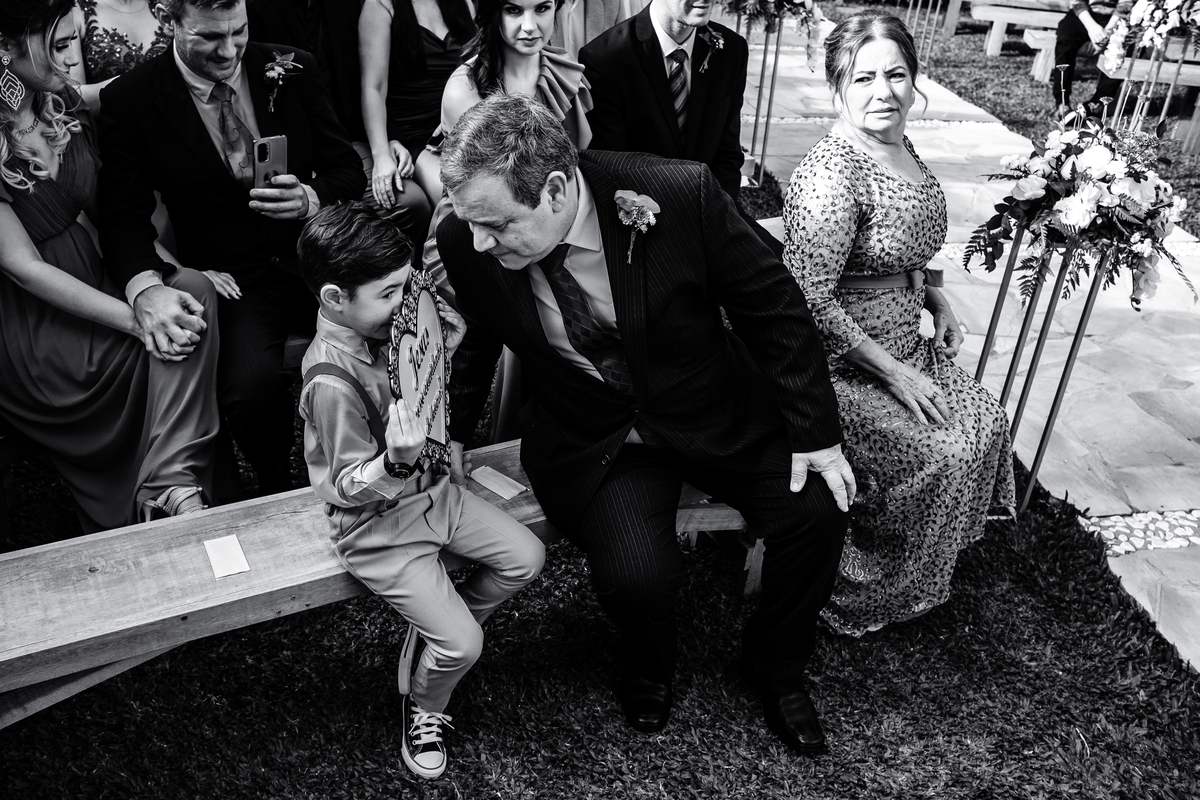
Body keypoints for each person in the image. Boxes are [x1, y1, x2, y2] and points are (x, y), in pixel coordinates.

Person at [438, 93, 854, 755]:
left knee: (817, 512)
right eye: (471, 223)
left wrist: (815, 432)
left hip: (714, 411)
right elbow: (479, 334)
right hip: (599, 438)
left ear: (554, 188)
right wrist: (454, 428)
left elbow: (772, 307)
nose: (480, 242)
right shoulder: (466, 237)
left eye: (497, 224)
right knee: (637, 576)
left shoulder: (678, 192)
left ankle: (775, 666)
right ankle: (648, 666)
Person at [782, 11, 1015, 637]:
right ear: (837, 85)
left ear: (917, 80)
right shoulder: (833, 176)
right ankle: (866, 583)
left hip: (901, 338)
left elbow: (899, 246)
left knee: (986, 419)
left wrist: (935, 297)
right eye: (863, 78)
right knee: (945, 447)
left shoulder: (897, 143)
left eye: (896, 75)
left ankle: (924, 563)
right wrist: (895, 376)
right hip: (836, 365)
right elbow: (806, 299)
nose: (882, 92)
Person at [296, 201, 544, 780]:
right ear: (336, 299)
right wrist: (395, 461)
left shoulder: (389, 324)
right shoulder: (330, 381)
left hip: (437, 493)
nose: (405, 302)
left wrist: (439, 348)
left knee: (527, 559)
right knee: (465, 646)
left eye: (407, 286)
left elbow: (422, 381)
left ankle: (437, 634)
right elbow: (344, 487)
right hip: (377, 529)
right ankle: (426, 704)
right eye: (388, 293)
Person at [96, 0, 365, 496]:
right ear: (168, 19)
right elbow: (122, 219)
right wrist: (145, 288)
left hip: (318, 257)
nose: (228, 51)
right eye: (208, 37)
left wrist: (310, 196)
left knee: (381, 335)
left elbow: (347, 169)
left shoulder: (293, 66)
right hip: (234, 279)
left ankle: (380, 462)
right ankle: (278, 486)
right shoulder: (131, 100)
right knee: (251, 390)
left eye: (238, 31)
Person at [0, 0, 220, 531]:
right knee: (170, 322)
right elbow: (22, 267)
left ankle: (167, 480)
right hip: (38, 319)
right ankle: (171, 486)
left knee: (192, 291)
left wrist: (162, 269)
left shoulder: (54, 97)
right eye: (57, 47)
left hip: (95, 268)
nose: (72, 60)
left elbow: (108, 206)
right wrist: (136, 316)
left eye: (74, 41)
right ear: (4, 48)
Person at [434, 0, 593, 441]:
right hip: (481, 226)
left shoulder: (564, 70)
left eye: (542, 8)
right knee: (528, 310)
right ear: (491, 14)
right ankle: (516, 432)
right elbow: (480, 190)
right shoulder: (465, 88)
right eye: (512, 10)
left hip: (552, 216)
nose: (530, 26)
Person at [579, 0, 782, 256]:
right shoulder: (606, 58)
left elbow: (728, 154)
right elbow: (615, 169)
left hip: (714, 213)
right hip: (646, 224)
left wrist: (717, 217)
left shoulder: (731, 48)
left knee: (781, 276)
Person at [357, 0, 475, 242]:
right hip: (415, 137)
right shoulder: (381, 6)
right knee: (457, 200)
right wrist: (381, 155)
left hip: (460, 128)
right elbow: (373, 88)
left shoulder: (464, 3)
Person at [68, 0, 169, 111]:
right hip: (107, 125)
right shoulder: (74, 10)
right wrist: (137, 82)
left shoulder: (167, 5)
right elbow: (71, 97)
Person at [1051, 0, 1131, 118]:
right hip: (1085, 14)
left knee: (1128, 45)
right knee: (1066, 36)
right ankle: (1062, 102)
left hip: (1117, 18)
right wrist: (1092, 28)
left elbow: (1126, 4)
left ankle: (1097, 102)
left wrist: (1106, 33)